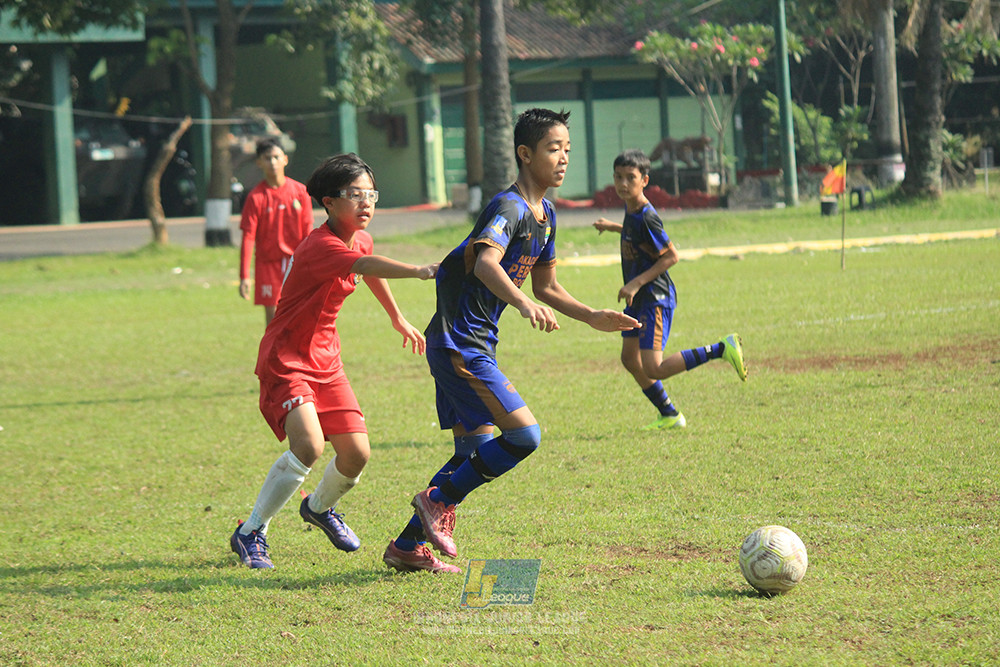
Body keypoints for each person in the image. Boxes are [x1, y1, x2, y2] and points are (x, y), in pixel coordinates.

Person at [382, 108, 641, 575]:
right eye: (552, 149)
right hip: (460, 343)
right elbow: (485, 263)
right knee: (523, 436)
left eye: (567, 149)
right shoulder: (509, 207)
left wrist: (590, 317)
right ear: (525, 154)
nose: (563, 158)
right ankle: (437, 500)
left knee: (470, 453)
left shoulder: (546, 215)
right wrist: (521, 304)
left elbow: (548, 288)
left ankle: (406, 546)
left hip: (473, 342)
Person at [230, 153, 439, 569]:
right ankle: (251, 531)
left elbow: (367, 266)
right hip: (287, 356)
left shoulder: (360, 238)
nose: (367, 203)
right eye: (355, 195)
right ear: (329, 201)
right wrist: (419, 270)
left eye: (371, 194)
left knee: (356, 454)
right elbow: (362, 264)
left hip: (327, 359)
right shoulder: (320, 245)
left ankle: (320, 508)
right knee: (307, 444)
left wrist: (397, 317)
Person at [592, 148, 747, 431]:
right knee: (629, 358)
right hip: (639, 300)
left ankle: (722, 348)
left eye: (630, 178)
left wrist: (636, 282)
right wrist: (613, 227)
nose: (623, 184)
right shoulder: (631, 208)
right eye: (618, 177)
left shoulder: (647, 215)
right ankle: (669, 414)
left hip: (655, 299)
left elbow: (671, 255)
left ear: (645, 180)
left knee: (653, 367)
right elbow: (634, 234)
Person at [239, 138, 315, 326]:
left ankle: (298, 355)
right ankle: (272, 356)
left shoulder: (300, 192)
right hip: (268, 265)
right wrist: (244, 276)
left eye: (276, 157)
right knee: (273, 319)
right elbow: (248, 237)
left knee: (301, 313)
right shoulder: (256, 197)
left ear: (285, 159)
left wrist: (311, 265)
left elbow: (308, 233)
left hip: (296, 262)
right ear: (259, 163)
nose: (272, 162)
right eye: (267, 158)